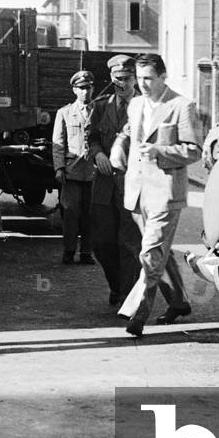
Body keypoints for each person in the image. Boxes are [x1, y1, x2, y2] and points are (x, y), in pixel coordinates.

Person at [111, 53, 201, 337]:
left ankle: (138, 313)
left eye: (149, 78)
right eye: (139, 79)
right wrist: (119, 144)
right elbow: (129, 131)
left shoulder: (182, 106)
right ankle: (179, 302)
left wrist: (160, 151)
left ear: (163, 77)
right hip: (138, 192)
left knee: (150, 253)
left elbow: (194, 150)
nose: (143, 84)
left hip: (165, 193)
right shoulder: (136, 104)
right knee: (158, 253)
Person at [87, 54, 142, 306]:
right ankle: (116, 284)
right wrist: (98, 154)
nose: (123, 84)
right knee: (101, 241)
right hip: (105, 185)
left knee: (129, 241)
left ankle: (126, 292)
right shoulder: (100, 106)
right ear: (111, 78)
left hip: (132, 185)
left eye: (127, 79)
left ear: (135, 79)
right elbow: (92, 137)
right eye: (118, 79)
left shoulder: (144, 106)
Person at [52, 70, 97, 265]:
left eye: (88, 88)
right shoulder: (64, 112)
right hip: (72, 172)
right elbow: (58, 143)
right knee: (70, 214)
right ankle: (69, 250)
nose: (85, 92)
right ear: (74, 90)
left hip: (93, 172)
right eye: (81, 88)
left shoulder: (99, 110)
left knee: (91, 214)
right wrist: (59, 168)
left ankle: (86, 252)